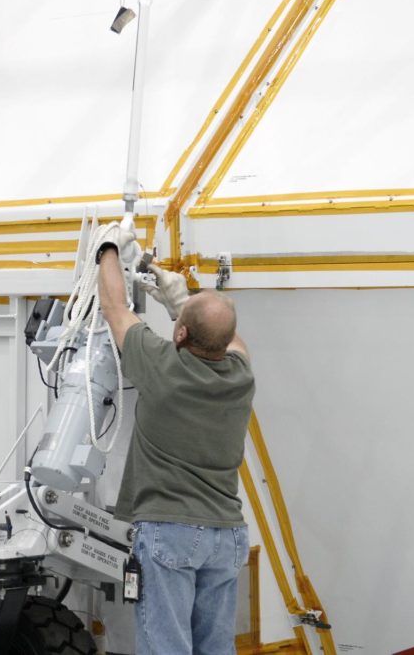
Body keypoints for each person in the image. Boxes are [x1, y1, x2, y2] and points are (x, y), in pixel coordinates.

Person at [96, 228, 255, 655]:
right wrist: (182, 302)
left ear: (180, 335)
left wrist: (107, 246)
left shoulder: (163, 367)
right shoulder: (242, 377)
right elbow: (230, 338)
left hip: (171, 533)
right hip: (227, 535)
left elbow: (114, 306)